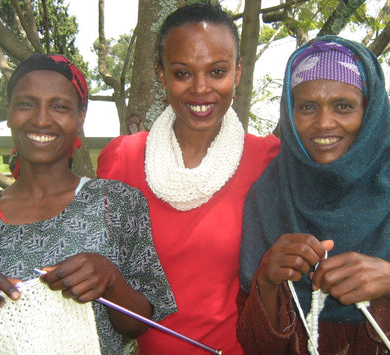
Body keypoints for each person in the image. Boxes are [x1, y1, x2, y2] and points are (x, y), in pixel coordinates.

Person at [0, 53, 176, 354]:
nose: (41, 119)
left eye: (60, 106)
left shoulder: (116, 202)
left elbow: (141, 323)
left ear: (80, 118)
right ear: (9, 112)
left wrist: (112, 281)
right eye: (26, 104)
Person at [237, 36, 390, 354]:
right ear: (289, 111)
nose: (324, 123)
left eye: (343, 106)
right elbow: (255, 344)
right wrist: (268, 280)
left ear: (370, 112)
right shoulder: (269, 195)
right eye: (307, 107)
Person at [96, 3, 280, 354]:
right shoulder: (123, 161)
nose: (200, 88)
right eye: (182, 73)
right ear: (162, 76)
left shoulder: (266, 161)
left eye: (217, 71)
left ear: (238, 72)